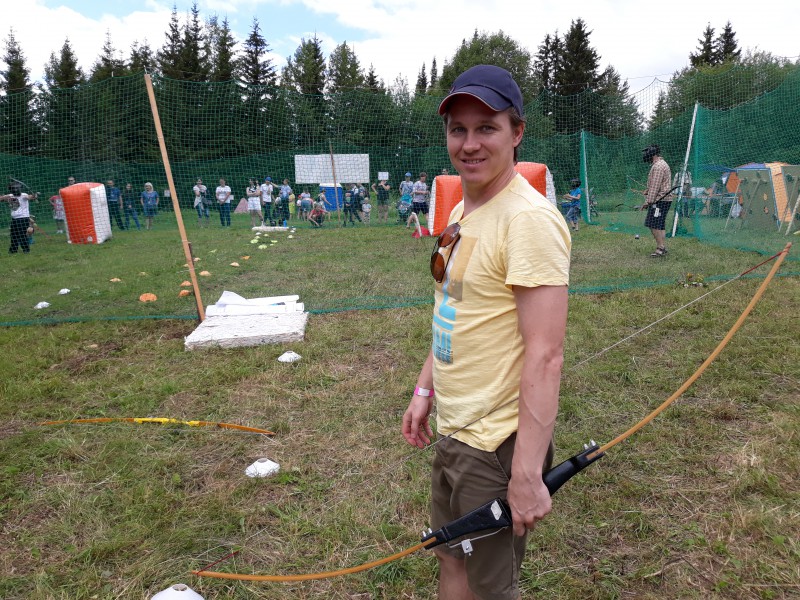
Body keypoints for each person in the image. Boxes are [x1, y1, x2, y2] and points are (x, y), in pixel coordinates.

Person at [401, 64, 571, 600]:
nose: (469, 144)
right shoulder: (462, 208)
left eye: (486, 128)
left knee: (491, 587)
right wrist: (425, 389)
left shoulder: (528, 220)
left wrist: (526, 474)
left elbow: (545, 354)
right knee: (450, 558)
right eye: (458, 129)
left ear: (517, 133)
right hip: (455, 427)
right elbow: (452, 308)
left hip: (495, 443)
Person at [641, 144, 672, 256]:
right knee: (659, 225)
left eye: (647, 153)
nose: (645, 155)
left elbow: (655, 187)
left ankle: (660, 248)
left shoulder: (658, 166)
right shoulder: (660, 164)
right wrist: (648, 190)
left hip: (660, 200)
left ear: (652, 154)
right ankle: (662, 247)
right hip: (664, 200)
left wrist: (647, 202)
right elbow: (657, 184)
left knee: (653, 224)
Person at [1, 180, 39, 254]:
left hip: (23, 218)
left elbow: (30, 197)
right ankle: (13, 250)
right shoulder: (10, 196)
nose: (16, 190)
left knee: (22, 235)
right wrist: (4, 197)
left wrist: (34, 195)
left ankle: (26, 250)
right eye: (14, 188)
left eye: (17, 188)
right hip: (14, 219)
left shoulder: (24, 195)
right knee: (13, 235)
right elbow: (2, 198)